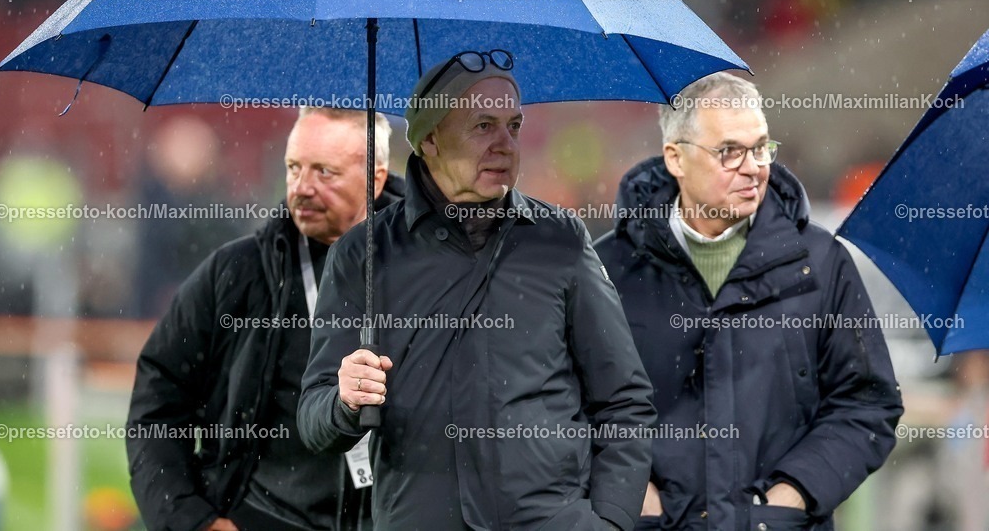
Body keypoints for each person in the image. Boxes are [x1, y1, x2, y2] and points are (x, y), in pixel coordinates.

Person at [297, 50, 657, 531]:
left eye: (514, 126)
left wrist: (610, 522)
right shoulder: (360, 256)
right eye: (483, 126)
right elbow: (312, 420)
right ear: (429, 140)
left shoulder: (562, 239)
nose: (505, 144)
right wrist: (344, 400)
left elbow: (624, 402)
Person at [595, 72, 903, 531]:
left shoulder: (820, 262)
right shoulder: (608, 269)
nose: (754, 166)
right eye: (730, 152)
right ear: (675, 158)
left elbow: (868, 404)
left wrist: (791, 496)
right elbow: (567, 407)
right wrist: (635, 493)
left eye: (761, 147)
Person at [127, 107, 403, 531]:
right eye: (294, 168)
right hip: (265, 516)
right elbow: (158, 405)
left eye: (324, 173)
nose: (302, 188)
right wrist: (192, 520)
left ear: (376, 178)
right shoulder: (236, 275)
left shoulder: (431, 266)